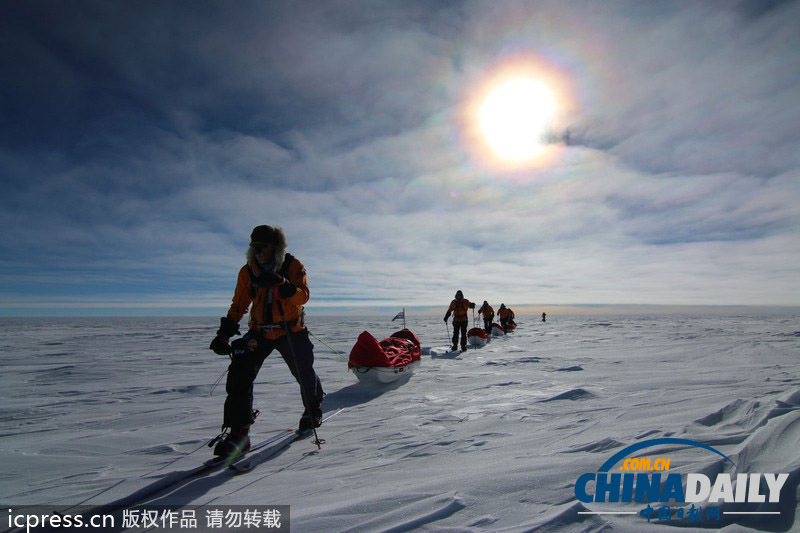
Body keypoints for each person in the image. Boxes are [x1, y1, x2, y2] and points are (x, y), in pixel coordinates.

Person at [209, 225, 324, 458]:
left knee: (304, 372)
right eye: (254, 246)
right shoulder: (248, 271)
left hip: (291, 331)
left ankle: (313, 409)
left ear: (275, 247)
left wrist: (283, 285)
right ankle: (239, 434)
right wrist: (224, 334)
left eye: (262, 246)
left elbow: (303, 296)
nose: (257, 250)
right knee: (239, 374)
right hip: (259, 332)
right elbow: (239, 304)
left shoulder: (292, 265)